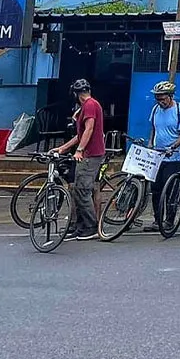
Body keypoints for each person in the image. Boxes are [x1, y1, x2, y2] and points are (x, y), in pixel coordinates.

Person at [53, 78, 105, 241]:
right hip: (87, 153)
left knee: (83, 190)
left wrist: (80, 150)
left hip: (91, 154)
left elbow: (89, 129)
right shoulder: (86, 106)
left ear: (76, 94)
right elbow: (80, 135)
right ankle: (80, 226)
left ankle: (90, 226)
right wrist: (64, 148)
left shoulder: (90, 105)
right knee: (77, 189)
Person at [144, 81, 180, 233]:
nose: (160, 101)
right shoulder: (156, 109)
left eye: (163, 98)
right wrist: (150, 143)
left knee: (170, 189)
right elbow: (153, 128)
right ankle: (158, 221)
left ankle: (169, 221)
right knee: (156, 189)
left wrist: (173, 147)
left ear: (170, 97)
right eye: (158, 99)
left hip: (174, 157)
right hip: (158, 156)